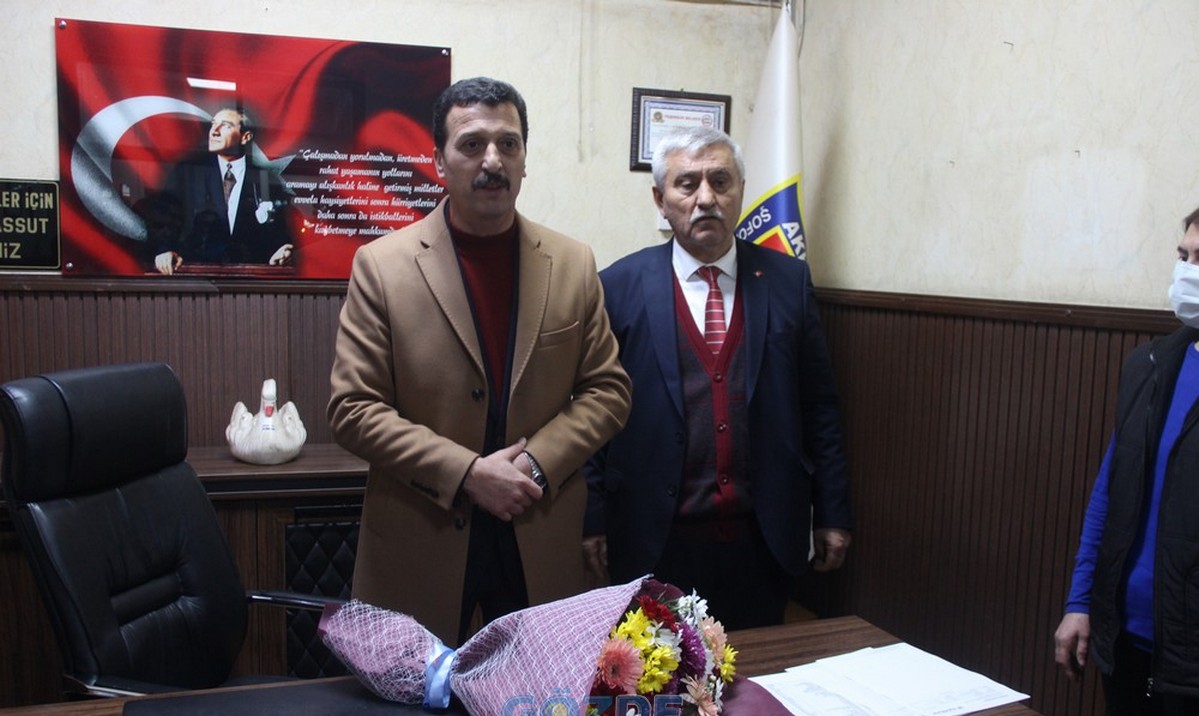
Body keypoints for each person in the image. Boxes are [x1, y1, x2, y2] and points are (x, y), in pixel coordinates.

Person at [327, 77, 631, 645]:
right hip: (424, 536)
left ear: (524, 159)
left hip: (537, 532)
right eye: (472, 144)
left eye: (507, 144)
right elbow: (352, 409)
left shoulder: (573, 263)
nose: (492, 160)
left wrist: (534, 465)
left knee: (540, 697)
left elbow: (608, 391)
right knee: (416, 700)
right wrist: (467, 474)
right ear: (439, 161)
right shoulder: (381, 266)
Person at [584, 126, 853, 630]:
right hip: (654, 538)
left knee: (760, 671)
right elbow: (594, 412)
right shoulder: (617, 286)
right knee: (661, 675)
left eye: (720, 181)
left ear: (741, 192)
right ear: (660, 200)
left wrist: (833, 512)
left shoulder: (787, 282)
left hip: (763, 538)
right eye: (687, 184)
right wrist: (593, 518)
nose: (706, 198)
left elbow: (819, 405)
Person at [1054, 207, 1199, 716]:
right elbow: (1108, 494)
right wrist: (1080, 600)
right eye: (1184, 255)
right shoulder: (1152, 364)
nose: (1187, 271)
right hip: (1128, 640)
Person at [147, 106, 294, 273]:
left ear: (245, 137)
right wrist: (164, 250)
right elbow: (164, 218)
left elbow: (277, 233)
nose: (214, 132)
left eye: (225, 125)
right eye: (213, 124)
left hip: (248, 278)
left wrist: (282, 250)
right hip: (195, 275)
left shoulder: (265, 179)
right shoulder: (187, 172)